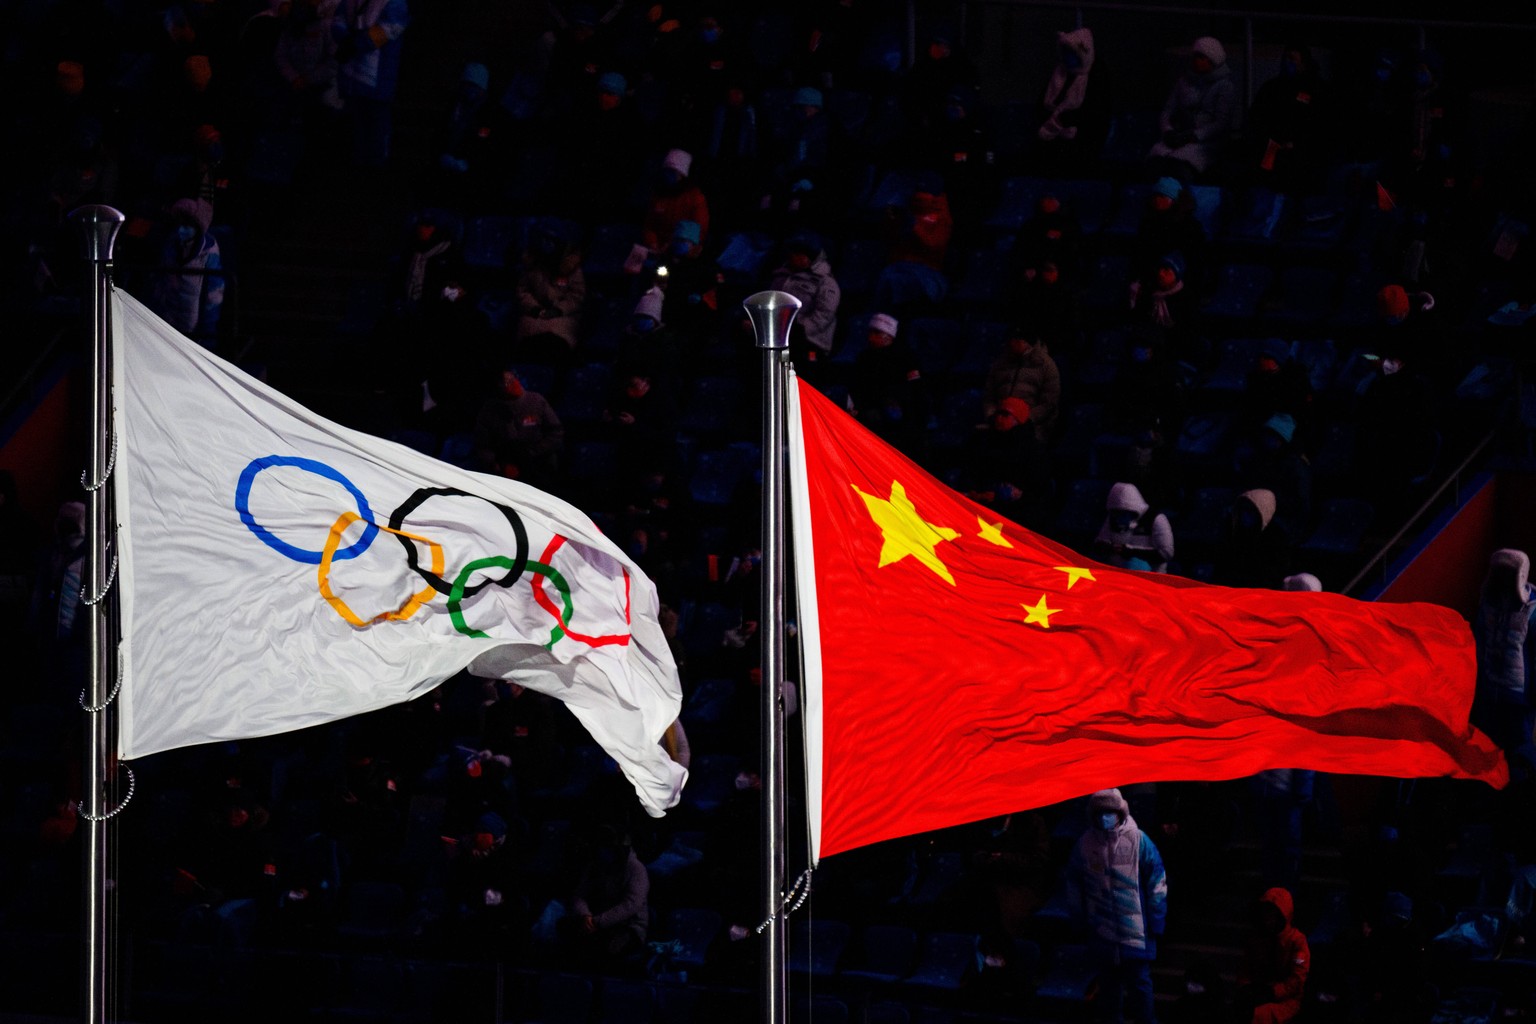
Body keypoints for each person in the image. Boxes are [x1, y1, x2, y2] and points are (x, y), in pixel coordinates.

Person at [1065, 788, 1167, 1024]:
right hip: (1103, 933)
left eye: (1110, 812)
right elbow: (1073, 884)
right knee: (1109, 993)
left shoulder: (1139, 841)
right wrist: (1079, 920)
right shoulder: (1084, 845)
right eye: (1101, 813)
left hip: (1136, 932)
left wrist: (1157, 921)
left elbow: (1157, 883)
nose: (1105, 818)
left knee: (1141, 989)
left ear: (1120, 812)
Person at [1470, 548, 1536, 762]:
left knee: (1519, 749)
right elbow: (1478, 643)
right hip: (1488, 690)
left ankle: (1521, 787)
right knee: (1487, 747)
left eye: (1510, 574)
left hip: (1517, 694)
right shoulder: (1487, 603)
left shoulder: (1531, 609)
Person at [1147, 36, 1238, 179]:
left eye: (1201, 57)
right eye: (1195, 56)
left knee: (1180, 166)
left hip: (1206, 143)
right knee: (1156, 161)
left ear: (1212, 60)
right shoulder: (1183, 82)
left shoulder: (1225, 87)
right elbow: (1168, 110)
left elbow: (1221, 122)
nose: (1196, 61)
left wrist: (1195, 136)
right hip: (1178, 136)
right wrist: (1168, 131)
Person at [148, 197, 224, 348]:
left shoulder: (209, 251)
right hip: (167, 320)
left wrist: (207, 327)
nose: (182, 228)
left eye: (187, 224)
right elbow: (160, 280)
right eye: (180, 223)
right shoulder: (171, 244)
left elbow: (214, 292)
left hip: (193, 323)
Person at [473, 368, 565, 487]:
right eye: (507, 382)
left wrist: (534, 452)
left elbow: (556, 432)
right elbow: (482, 445)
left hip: (540, 464)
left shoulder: (536, 401)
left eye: (513, 379)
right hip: (506, 470)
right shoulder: (490, 410)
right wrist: (497, 465)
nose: (513, 383)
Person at [568, 825, 650, 958]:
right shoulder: (595, 866)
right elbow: (580, 894)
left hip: (627, 926)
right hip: (594, 921)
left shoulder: (636, 869)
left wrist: (599, 922)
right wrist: (585, 915)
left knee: (611, 947)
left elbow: (631, 904)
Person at [1234, 887, 1309, 1024]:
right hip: (1260, 992)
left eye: (1272, 913)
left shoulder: (1297, 941)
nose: (1268, 917)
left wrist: (1272, 992)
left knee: (1260, 1015)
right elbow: (1245, 968)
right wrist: (1245, 988)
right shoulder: (1257, 938)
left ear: (1282, 915)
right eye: (1265, 912)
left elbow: (1297, 980)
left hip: (1286, 1000)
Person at [767, 230, 841, 367]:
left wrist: (795, 331)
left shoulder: (825, 282)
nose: (795, 257)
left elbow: (823, 316)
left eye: (800, 254)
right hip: (779, 334)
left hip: (810, 340)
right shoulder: (781, 276)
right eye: (794, 253)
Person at [982, 326, 1060, 441]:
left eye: (1019, 338)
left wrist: (1024, 419)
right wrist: (992, 416)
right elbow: (989, 396)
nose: (1015, 341)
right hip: (998, 424)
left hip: (1030, 428)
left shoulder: (1046, 366)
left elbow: (1049, 404)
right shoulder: (1000, 364)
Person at [1093, 482, 1174, 573]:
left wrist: (1130, 552)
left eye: (1124, 513)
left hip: (1149, 577)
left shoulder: (1156, 519)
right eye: (1116, 513)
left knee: (1136, 564)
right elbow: (1100, 542)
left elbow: (1166, 553)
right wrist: (1109, 547)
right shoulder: (1112, 518)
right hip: (1117, 575)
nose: (1119, 517)